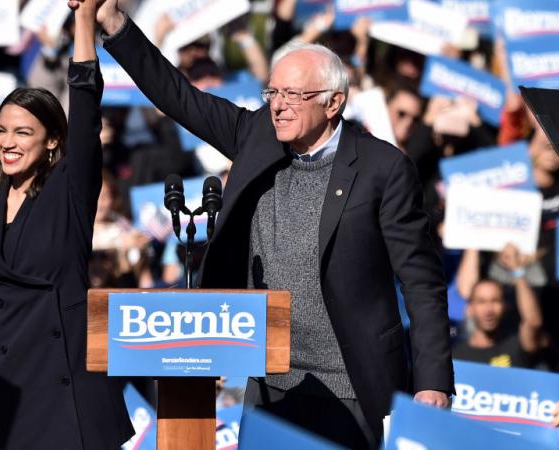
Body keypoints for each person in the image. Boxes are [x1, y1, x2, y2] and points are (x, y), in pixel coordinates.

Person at [84, 1, 453, 448]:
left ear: (334, 102)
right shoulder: (256, 134)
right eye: (273, 94)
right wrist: (114, 23)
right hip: (270, 379)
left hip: (352, 385)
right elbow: (177, 96)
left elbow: (422, 281)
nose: (278, 106)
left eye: (293, 96)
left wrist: (433, 380)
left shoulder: (383, 167)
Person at [0, 3, 133, 449]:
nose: (7, 142)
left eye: (23, 132)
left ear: (52, 141)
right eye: (2, 130)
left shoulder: (70, 190)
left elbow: (84, 103)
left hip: (66, 385)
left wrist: (84, 22)